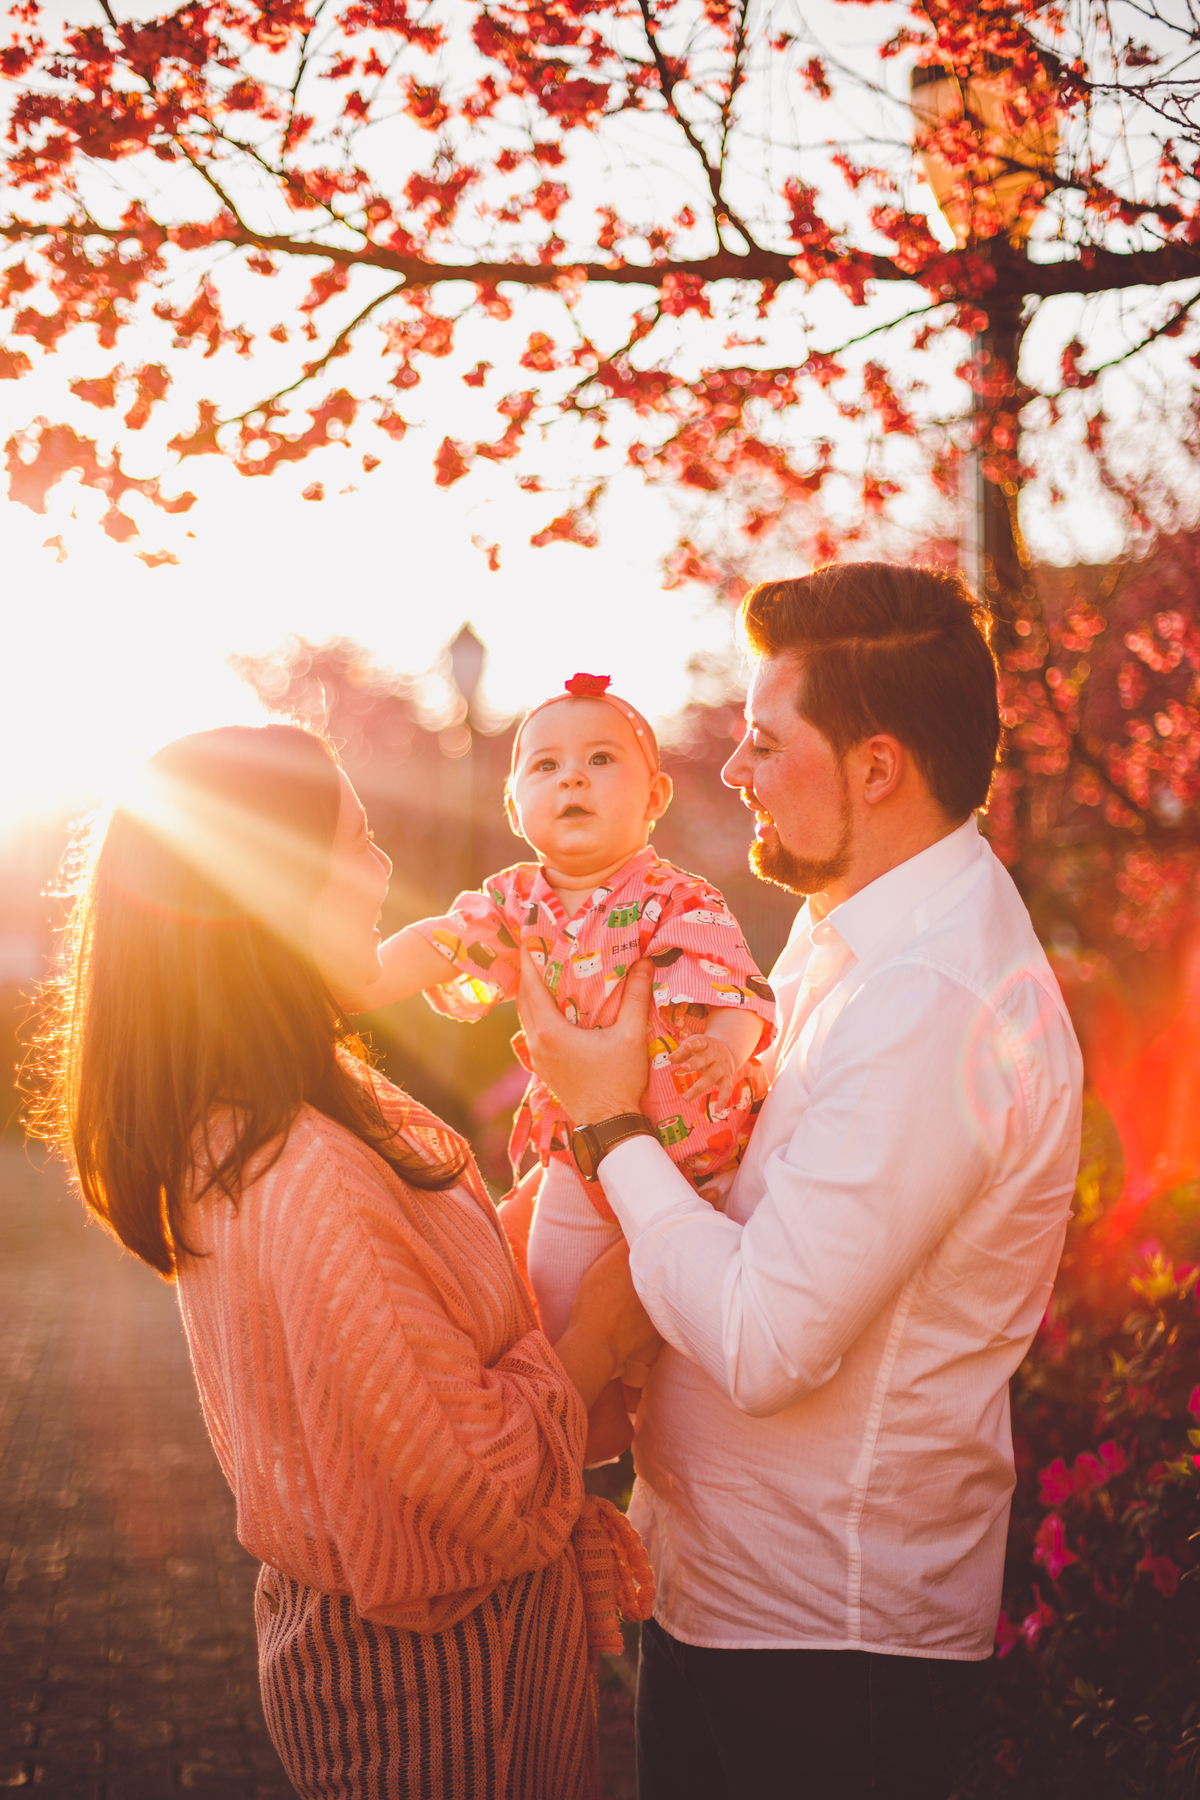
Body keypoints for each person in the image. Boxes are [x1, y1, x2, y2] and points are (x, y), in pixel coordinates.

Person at [514, 564, 1085, 1800]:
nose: (735, 773)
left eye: (767, 744)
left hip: (829, 1646)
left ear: (876, 768)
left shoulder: (936, 1001)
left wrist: (611, 1121)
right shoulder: (851, 934)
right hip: (730, 1599)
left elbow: (771, 1339)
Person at [34, 722, 657, 1800]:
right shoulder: (302, 1160)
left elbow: (410, 1318)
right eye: (358, 842)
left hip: (418, 1657)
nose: (381, 875)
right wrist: (601, 1327)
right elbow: (473, 1478)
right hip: (440, 1685)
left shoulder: (278, 1101)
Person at [347, 671, 775, 1425]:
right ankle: (575, 1427)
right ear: (516, 807)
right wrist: (355, 987)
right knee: (551, 1296)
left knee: (684, 1316)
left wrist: (728, 1051)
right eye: (545, 766)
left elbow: (731, 983)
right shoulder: (515, 904)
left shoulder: (676, 898)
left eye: (602, 759)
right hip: (578, 1154)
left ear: (653, 799)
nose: (572, 775)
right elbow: (441, 944)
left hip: (702, 1162)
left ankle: (639, 1402)